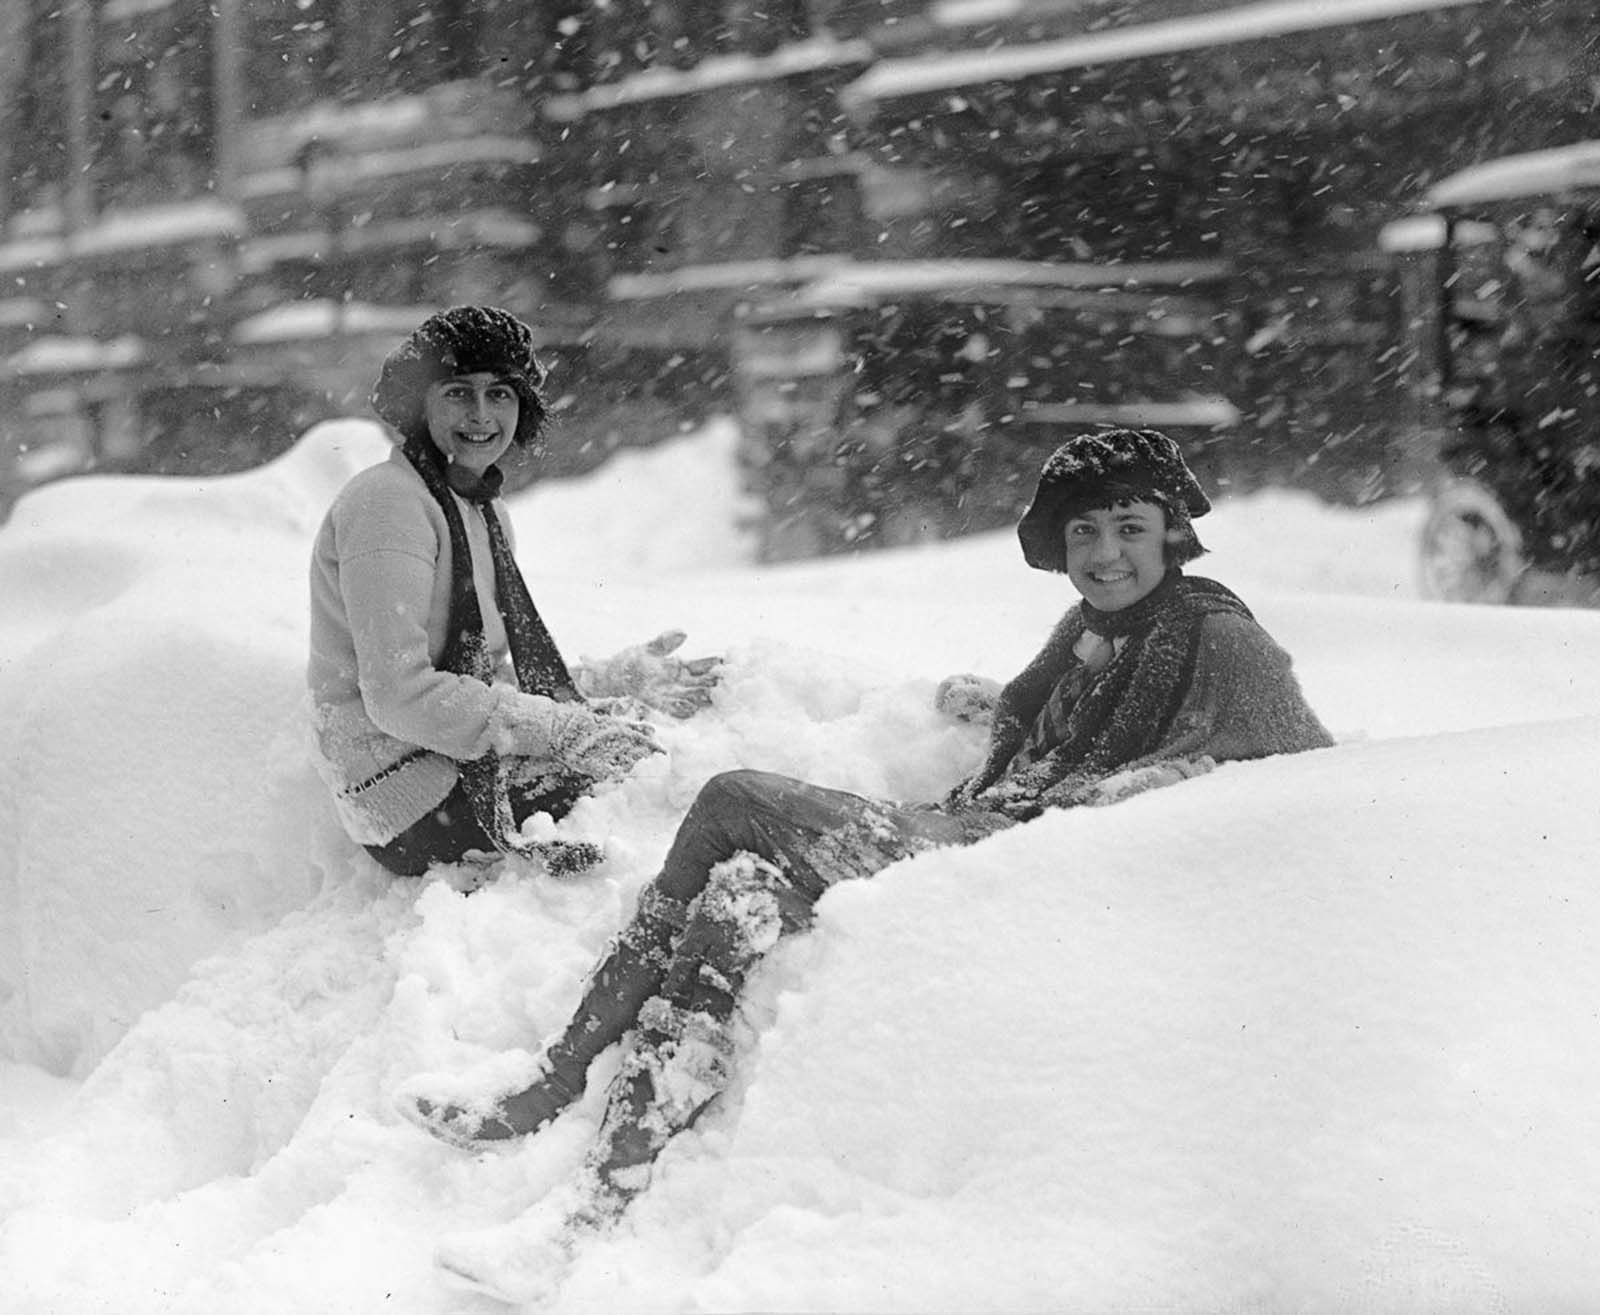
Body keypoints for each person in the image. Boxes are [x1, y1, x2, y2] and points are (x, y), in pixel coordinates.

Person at [396, 426, 1334, 1231]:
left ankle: (558, 1076)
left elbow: (1294, 765)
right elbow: (1057, 731)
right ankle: (613, 1178)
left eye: (1131, 528)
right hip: (983, 829)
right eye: (1085, 530)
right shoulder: (1096, 630)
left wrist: (1132, 794)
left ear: (1175, 534)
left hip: (1008, 858)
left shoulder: (1220, 636)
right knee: (738, 901)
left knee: (732, 798)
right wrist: (1003, 708)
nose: (1106, 552)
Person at [307, 305, 718, 878]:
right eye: (457, 392)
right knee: (646, 791)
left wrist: (604, 683)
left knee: (640, 751)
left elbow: (473, 676)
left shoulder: (481, 508)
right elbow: (397, 695)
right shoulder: (387, 506)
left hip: (449, 759)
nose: (481, 415)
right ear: (417, 403)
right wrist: (562, 726)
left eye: (500, 393)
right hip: (404, 793)